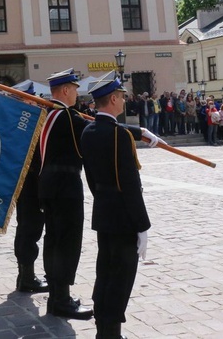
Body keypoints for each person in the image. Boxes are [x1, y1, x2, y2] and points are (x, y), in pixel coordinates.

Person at [80, 71, 161, 339]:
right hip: (124, 217)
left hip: (103, 211)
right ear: (113, 99)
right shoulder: (121, 137)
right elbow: (130, 187)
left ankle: (103, 328)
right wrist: (142, 226)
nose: (125, 101)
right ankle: (111, 333)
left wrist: (139, 131)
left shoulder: (88, 131)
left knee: (105, 271)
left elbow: (91, 178)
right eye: (122, 96)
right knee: (122, 277)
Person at [37, 68, 93, 320]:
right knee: (67, 242)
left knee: (54, 240)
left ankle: (56, 296)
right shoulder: (68, 116)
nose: (77, 93)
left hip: (48, 184)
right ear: (66, 90)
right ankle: (61, 299)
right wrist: (138, 133)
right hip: (65, 186)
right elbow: (95, 137)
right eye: (75, 89)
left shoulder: (48, 113)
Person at [13, 86, 47, 295]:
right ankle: (26, 277)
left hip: (30, 183)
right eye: (31, 100)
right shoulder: (23, 125)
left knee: (29, 228)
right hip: (29, 185)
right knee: (29, 228)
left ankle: (26, 274)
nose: (35, 102)